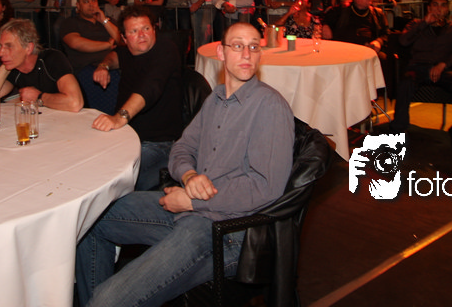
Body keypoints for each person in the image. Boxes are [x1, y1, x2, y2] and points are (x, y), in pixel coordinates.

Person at [75, 22, 294, 307]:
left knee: (107, 300)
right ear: (221, 53)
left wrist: (192, 201)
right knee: (93, 217)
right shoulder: (216, 98)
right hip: (192, 212)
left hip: (226, 233)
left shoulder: (270, 106)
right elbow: (182, 147)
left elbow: (265, 188)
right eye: (238, 45)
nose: (246, 54)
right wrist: (189, 176)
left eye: (253, 46)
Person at [90, 6, 184, 190]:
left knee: (115, 185)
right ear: (124, 38)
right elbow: (115, 55)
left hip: (158, 143)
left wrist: (119, 117)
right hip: (125, 136)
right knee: (90, 166)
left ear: (154, 30)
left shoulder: (166, 50)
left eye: (146, 28)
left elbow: (149, 88)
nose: (141, 35)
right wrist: (104, 66)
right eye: (134, 31)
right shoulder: (127, 52)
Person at [393, 0, 452, 157]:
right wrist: (424, 23)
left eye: (443, 5)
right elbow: (403, 41)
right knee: (406, 83)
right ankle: (398, 132)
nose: (439, 9)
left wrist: (443, 64)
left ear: (447, 9)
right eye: (435, 5)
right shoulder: (416, 24)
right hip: (418, 67)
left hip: (443, 69)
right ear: (429, 8)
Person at [0, 19, 83, 112]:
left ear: (28, 48)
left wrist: (38, 97)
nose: (0, 53)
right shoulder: (13, 68)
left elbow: (75, 103)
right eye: (1, 46)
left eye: (9, 46)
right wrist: (5, 67)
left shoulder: (52, 59)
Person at [60, 0, 123, 112]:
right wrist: (107, 45)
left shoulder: (108, 21)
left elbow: (121, 39)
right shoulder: (70, 23)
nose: (91, 4)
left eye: (94, 0)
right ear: (78, 6)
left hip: (114, 64)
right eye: (86, 2)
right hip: (86, 67)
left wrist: (104, 21)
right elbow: (76, 43)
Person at [323, 0, 389, 60]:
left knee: (383, 58)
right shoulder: (342, 11)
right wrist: (325, 25)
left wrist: (378, 42)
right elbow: (323, 18)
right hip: (345, 52)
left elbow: (386, 33)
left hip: (369, 52)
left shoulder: (377, 14)